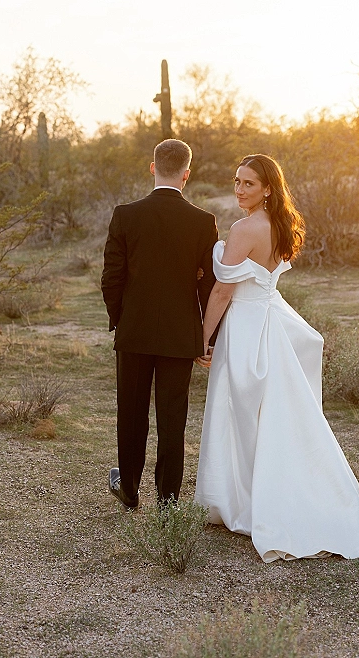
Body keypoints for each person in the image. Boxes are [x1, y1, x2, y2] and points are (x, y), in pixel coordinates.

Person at [194, 154, 359, 561]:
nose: (239, 189)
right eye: (237, 181)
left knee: (241, 412)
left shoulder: (245, 228)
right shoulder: (281, 225)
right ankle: (267, 494)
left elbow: (223, 292)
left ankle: (245, 503)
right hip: (272, 320)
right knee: (275, 414)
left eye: (248, 184)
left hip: (247, 326)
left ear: (267, 190)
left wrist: (203, 339)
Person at [101, 139, 218, 509]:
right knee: (173, 420)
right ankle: (168, 502)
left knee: (131, 414)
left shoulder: (125, 214)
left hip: (133, 332)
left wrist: (122, 320)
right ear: (187, 173)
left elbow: (111, 278)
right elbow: (209, 286)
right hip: (180, 335)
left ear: (152, 168)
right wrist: (204, 337)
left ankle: (130, 489)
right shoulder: (203, 222)